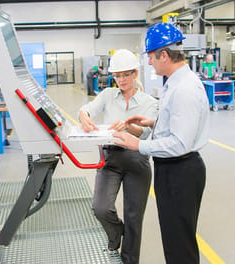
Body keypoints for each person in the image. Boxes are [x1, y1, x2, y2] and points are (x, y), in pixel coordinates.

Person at [112, 23, 209, 264]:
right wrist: (152, 123)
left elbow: (179, 143)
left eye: (151, 57)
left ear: (164, 55)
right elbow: (177, 124)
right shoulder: (174, 82)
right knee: (174, 237)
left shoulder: (184, 88)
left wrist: (138, 145)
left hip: (181, 170)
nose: (151, 63)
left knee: (179, 242)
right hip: (173, 169)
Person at [78, 49, 158, 264]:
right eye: (117, 75)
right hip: (110, 159)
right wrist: (84, 117)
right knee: (100, 207)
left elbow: (145, 133)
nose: (121, 80)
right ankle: (116, 234)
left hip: (136, 160)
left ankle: (129, 260)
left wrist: (129, 127)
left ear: (135, 74)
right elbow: (87, 109)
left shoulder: (149, 102)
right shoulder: (107, 95)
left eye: (125, 74)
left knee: (134, 217)